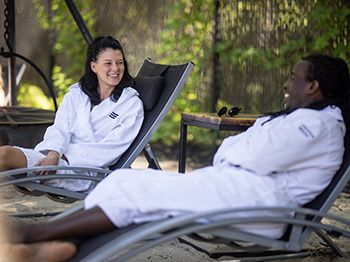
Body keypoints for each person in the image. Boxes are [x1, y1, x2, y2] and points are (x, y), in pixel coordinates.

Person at [4, 54, 350, 261]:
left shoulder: (317, 125)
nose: (288, 83)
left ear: (314, 87)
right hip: (236, 189)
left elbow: (244, 153)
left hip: (259, 206)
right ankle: (56, 248)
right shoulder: (300, 120)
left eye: (295, 77)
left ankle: (32, 237)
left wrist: (235, 149)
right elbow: (239, 153)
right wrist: (236, 150)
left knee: (137, 194)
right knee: (125, 180)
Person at [0, 36, 144, 191]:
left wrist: (64, 156)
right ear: (94, 66)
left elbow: (112, 148)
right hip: (54, 158)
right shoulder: (77, 94)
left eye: (120, 62)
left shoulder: (130, 104)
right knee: (4, 153)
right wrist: (54, 153)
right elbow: (60, 127)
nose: (115, 68)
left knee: (4, 155)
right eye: (108, 63)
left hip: (85, 172)